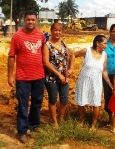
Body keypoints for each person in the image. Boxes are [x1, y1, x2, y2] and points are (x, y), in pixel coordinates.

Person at [8, 10, 46, 144]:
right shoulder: (17, 36)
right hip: (23, 77)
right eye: (28, 19)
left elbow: (44, 54)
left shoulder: (41, 36)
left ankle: (34, 125)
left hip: (39, 76)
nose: (31, 22)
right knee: (23, 105)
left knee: (37, 103)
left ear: (37, 21)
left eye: (33, 19)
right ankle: (22, 131)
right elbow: (11, 56)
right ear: (24, 20)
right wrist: (10, 76)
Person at [74, 35, 113, 130]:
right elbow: (73, 54)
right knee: (81, 102)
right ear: (97, 43)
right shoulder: (86, 51)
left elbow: (104, 71)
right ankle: (82, 121)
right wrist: (71, 68)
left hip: (97, 83)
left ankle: (93, 125)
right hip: (84, 82)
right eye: (104, 43)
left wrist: (110, 84)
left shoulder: (104, 55)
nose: (106, 46)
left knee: (96, 103)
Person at [42, 22, 74, 128]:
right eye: (55, 30)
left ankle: (61, 118)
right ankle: (54, 121)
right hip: (51, 78)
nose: (57, 32)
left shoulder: (63, 44)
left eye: (59, 30)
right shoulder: (47, 45)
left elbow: (69, 57)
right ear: (51, 31)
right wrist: (58, 74)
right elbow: (46, 62)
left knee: (64, 99)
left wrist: (70, 69)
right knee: (53, 100)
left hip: (64, 78)